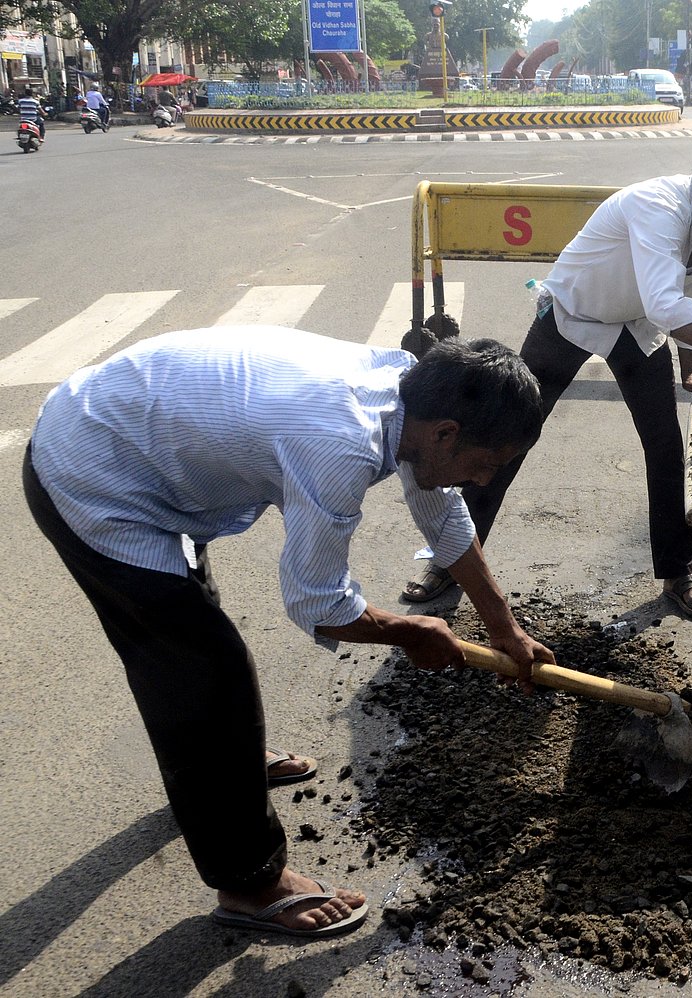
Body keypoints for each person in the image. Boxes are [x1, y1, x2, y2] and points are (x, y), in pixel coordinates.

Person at [23, 327, 554, 938]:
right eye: (486, 465)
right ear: (446, 435)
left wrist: (503, 626)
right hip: (93, 475)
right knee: (204, 669)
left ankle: (223, 768)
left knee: (190, 652)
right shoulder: (339, 442)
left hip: (134, 441)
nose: (484, 481)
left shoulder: (408, 395)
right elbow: (319, 602)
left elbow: (439, 509)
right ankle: (250, 883)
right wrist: (411, 632)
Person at [402, 132, 692, 622]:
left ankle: (678, 573)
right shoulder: (659, 206)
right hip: (571, 314)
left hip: (635, 328)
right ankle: (449, 561)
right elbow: (665, 302)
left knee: (665, 448)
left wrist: (691, 366)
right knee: (504, 438)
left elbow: (691, 296)